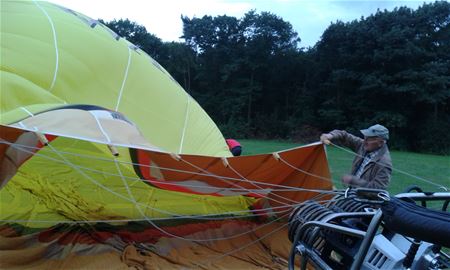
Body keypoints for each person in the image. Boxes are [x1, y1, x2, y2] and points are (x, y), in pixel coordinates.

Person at [320, 124, 392, 190]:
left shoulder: (384, 163)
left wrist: (353, 181)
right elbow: (344, 136)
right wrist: (329, 136)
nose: (364, 141)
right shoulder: (363, 146)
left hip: (366, 202)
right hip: (353, 194)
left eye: (369, 139)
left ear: (380, 142)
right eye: (365, 137)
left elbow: (378, 189)